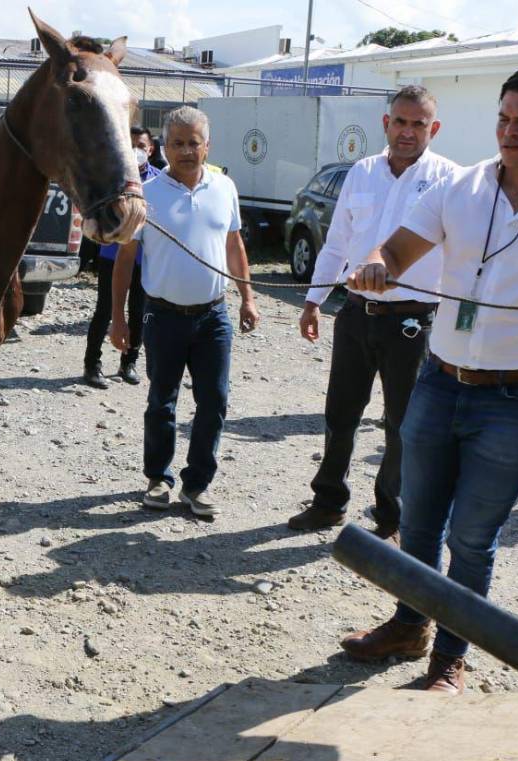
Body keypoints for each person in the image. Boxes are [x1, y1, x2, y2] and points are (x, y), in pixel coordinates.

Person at [341, 64, 518, 694]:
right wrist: (377, 265)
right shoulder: (459, 188)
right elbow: (396, 250)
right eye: (503, 118)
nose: (510, 131)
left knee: (471, 538)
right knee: (418, 522)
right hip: (439, 382)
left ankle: (450, 657)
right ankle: (409, 626)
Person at [288, 86, 457, 541]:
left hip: (414, 321)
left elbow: (462, 254)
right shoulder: (361, 173)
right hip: (357, 314)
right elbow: (336, 245)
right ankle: (328, 502)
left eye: (418, 124)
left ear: (434, 129)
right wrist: (313, 302)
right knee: (340, 413)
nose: (408, 132)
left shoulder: (449, 179)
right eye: (400, 122)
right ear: (386, 124)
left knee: (403, 424)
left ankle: (391, 515)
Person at [109, 106, 259, 518]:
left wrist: (247, 297)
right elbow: (125, 259)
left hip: (214, 317)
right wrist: (118, 318)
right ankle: (158, 478)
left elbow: (234, 245)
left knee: (214, 401)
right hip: (163, 317)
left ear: (207, 145)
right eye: (178, 143)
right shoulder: (146, 194)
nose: (186, 151)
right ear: (164, 147)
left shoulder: (225, 187)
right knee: (162, 400)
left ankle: (197, 484)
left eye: (194, 143)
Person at [84, 126, 160, 388]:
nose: (136, 151)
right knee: (105, 309)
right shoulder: (111, 177)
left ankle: (129, 362)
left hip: (144, 258)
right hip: (113, 255)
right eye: (130, 145)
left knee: (139, 311)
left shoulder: (159, 181)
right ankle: (91, 364)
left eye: (141, 146)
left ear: (151, 149)